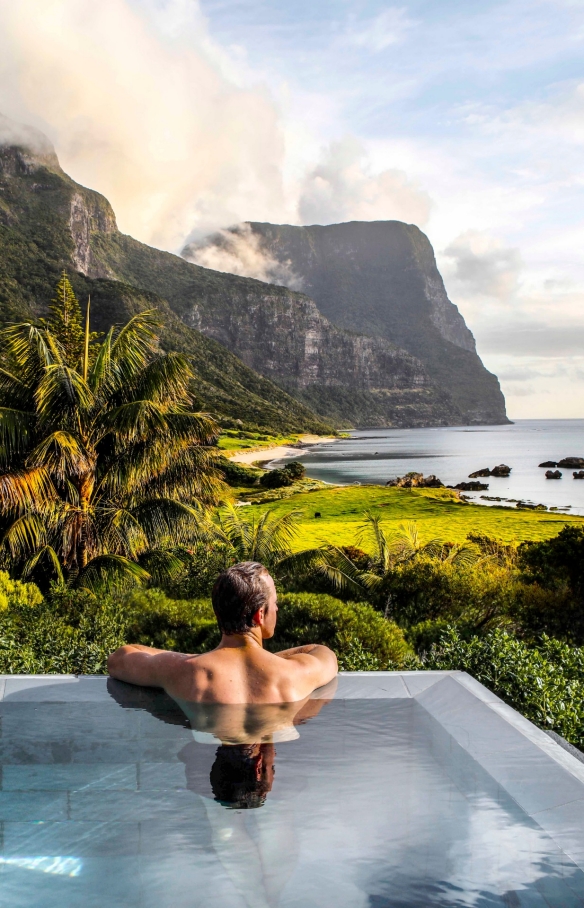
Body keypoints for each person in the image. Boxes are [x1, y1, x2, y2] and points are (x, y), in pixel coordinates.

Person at [108, 561, 338, 704]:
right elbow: (323, 653)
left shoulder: (183, 670)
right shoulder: (294, 672)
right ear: (259, 615)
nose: (277, 608)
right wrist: (264, 663)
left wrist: (191, 660)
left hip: (210, 750)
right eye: (275, 602)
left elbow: (119, 660)